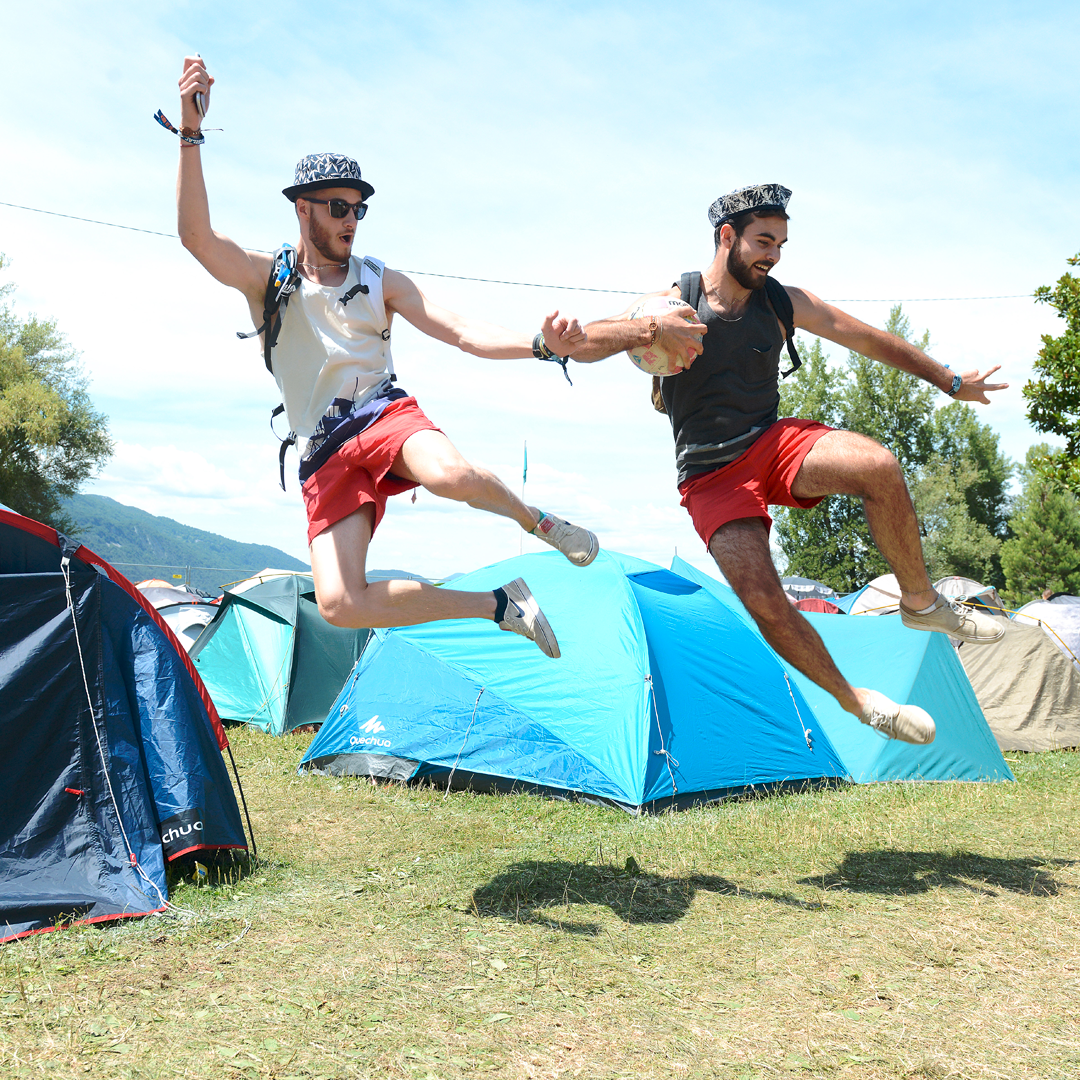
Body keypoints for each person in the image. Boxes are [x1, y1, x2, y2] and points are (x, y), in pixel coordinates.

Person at [171, 56, 597, 659]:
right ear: (303, 208)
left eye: (358, 209)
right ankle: (501, 604)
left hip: (380, 414)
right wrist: (191, 134)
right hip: (322, 451)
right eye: (338, 207)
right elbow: (197, 238)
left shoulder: (381, 281)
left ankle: (536, 521)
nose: (352, 219)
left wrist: (539, 345)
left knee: (450, 476)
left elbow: (464, 331)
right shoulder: (268, 278)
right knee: (343, 605)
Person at [569, 183, 1009, 742]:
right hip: (709, 475)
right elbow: (589, 341)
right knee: (766, 602)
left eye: (780, 243)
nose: (772, 254)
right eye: (762, 241)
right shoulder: (674, 299)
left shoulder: (782, 301)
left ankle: (920, 602)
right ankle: (858, 702)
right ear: (727, 237)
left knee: (877, 465)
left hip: (771, 444)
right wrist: (646, 329)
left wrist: (948, 380)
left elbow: (868, 339)